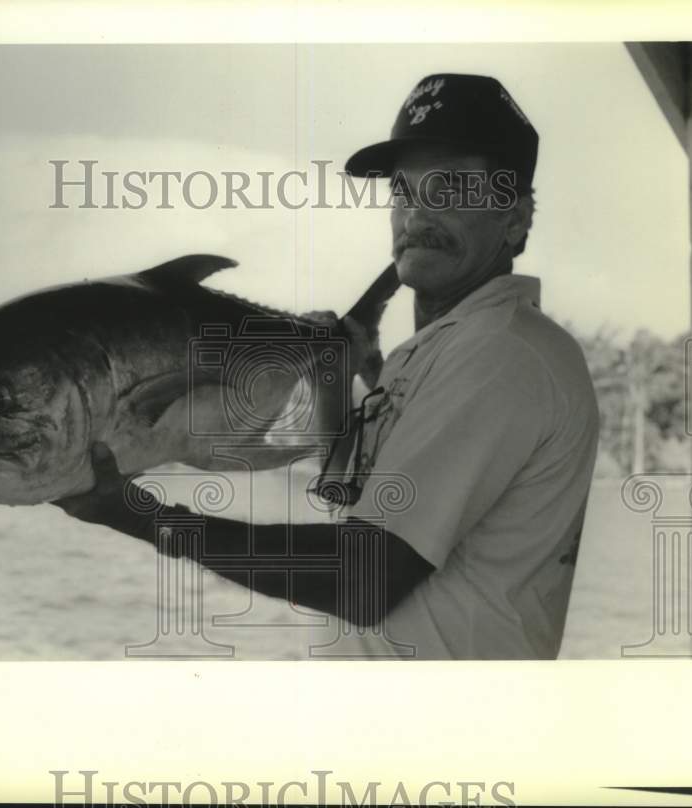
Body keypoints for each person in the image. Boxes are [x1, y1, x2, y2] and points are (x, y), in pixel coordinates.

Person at [53, 73, 599, 660]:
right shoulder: (448, 349)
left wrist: (138, 514)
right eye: (403, 192)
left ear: (512, 219)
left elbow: (362, 578)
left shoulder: (499, 355)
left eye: (450, 189)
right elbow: (352, 496)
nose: (415, 215)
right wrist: (337, 376)